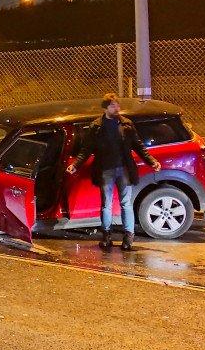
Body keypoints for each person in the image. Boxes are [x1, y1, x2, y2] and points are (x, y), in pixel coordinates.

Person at [68, 93, 161, 251]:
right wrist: (76, 164)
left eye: (117, 105)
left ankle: (128, 237)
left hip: (124, 169)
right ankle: (106, 236)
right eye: (113, 106)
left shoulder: (126, 124)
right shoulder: (96, 126)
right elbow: (87, 149)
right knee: (106, 204)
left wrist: (152, 161)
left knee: (126, 204)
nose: (117, 108)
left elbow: (138, 146)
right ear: (105, 108)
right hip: (105, 169)